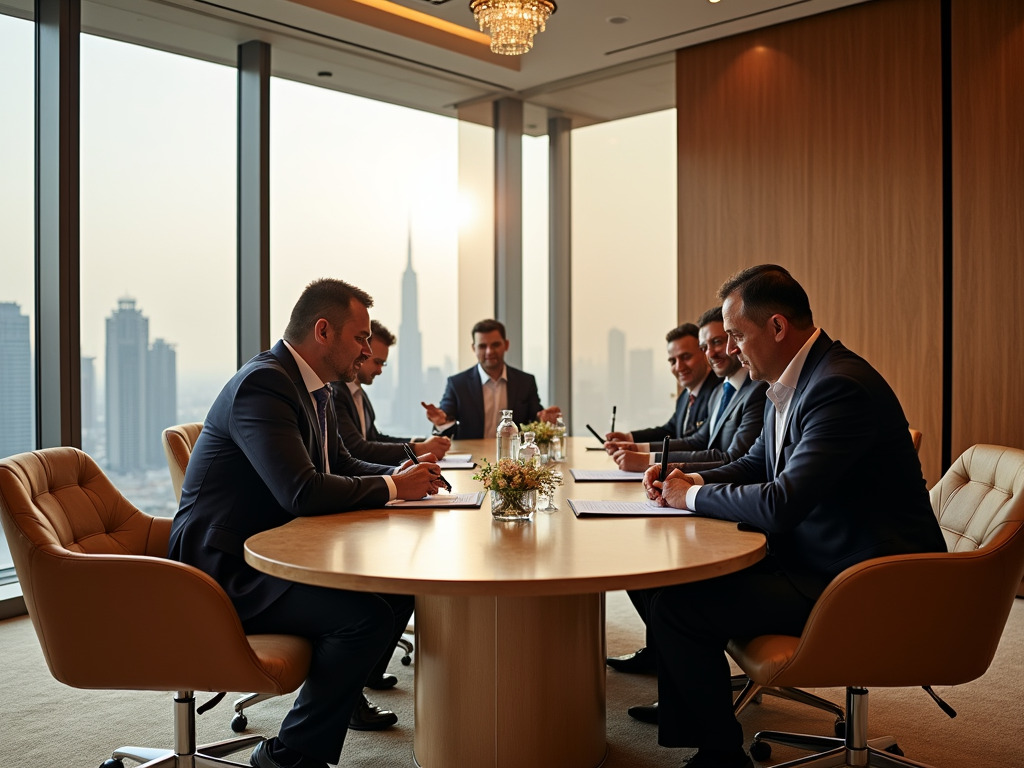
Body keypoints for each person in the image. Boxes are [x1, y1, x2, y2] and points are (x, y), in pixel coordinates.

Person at [636, 265, 946, 768]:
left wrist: (687, 500)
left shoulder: (838, 387)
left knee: (679, 606)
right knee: (664, 580)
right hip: (820, 558)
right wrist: (691, 481)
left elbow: (782, 503)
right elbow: (757, 462)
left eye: (736, 335)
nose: (731, 350)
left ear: (777, 327)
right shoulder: (794, 379)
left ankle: (718, 756)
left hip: (863, 581)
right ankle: (703, 718)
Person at [169, 278, 446, 768]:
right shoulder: (265, 384)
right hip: (223, 569)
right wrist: (394, 489)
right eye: (360, 338)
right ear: (323, 331)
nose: (366, 349)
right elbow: (300, 490)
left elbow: (339, 463)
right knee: (367, 616)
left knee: (400, 588)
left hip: (273, 548)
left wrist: (400, 475)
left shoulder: (314, 389)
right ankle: (290, 756)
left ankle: (340, 703)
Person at [605, 307, 768, 681]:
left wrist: (685, 484)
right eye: (710, 342)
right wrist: (673, 473)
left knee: (669, 590)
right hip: (725, 499)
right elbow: (706, 444)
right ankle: (663, 655)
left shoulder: (758, 391)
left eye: (727, 339)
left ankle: (673, 666)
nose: (720, 350)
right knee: (641, 561)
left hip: (739, 515)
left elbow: (734, 458)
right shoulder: (729, 389)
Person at [606, 306, 766, 474]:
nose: (710, 353)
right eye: (704, 347)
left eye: (717, 342)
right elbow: (697, 441)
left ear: (735, 339)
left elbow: (732, 459)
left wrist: (650, 461)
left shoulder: (757, 390)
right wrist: (636, 447)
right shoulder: (719, 393)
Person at [333, 319, 451, 465]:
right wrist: (418, 449)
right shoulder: (335, 393)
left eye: (383, 364)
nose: (380, 370)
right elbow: (356, 449)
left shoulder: (358, 393)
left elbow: (374, 439)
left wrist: (422, 443)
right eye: (377, 362)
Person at [421, 318, 560, 438]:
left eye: (495, 345)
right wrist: (440, 421)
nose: (489, 351)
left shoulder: (525, 382)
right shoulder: (457, 384)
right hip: (472, 458)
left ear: (506, 345)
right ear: (473, 348)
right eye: (482, 346)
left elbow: (534, 419)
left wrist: (544, 419)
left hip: (513, 458)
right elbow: (446, 417)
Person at [604, 323, 720, 445]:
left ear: (704, 353)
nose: (679, 367)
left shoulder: (719, 392)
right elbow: (670, 431)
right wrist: (629, 438)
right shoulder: (685, 396)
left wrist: (640, 451)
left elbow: (699, 444)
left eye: (686, 357)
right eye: (673, 361)